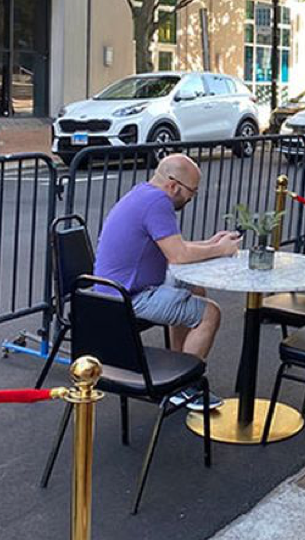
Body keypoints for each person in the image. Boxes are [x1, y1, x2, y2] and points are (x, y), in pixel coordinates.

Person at [93, 154, 242, 410]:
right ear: (173, 185)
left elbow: (175, 247)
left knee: (193, 287)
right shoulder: (158, 203)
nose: (192, 197)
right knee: (210, 313)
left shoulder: (143, 194)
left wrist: (210, 244)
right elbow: (178, 255)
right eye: (192, 191)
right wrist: (221, 250)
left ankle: (179, 364)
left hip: (110, 293)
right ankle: (182, 387)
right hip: (126, 299)